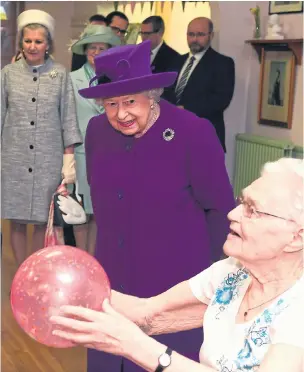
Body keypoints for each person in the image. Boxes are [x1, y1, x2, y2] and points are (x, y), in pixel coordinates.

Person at [55, 40, 235, 372]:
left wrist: (215, 281)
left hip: (173, 284)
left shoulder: (193, 132)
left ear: (152, 95)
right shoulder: (96, 132)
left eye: (130, 101)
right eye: (110, 103)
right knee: (108, 358)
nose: (121, 114)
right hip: (112, 279)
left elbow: (220, 208)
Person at [51, 157, 304, 372]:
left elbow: (140, 335)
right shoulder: (233, 272)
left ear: (297, 237)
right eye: (242, 202)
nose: (233, 214)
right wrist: (77, 287)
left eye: (252, 210)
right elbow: (148, 313)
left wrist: (135, 346)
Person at [1, 9, 82, 265]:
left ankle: (35, 270)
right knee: (15, 219)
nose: (32, 46)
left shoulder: (59, 75)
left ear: (48, 44)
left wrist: (68, 161)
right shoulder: (8, 74)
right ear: (20, 43)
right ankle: (20, 271)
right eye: (27, 41)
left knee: (40, 221)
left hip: (48, 159)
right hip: (13, 158)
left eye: (38, 41)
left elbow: (68, 117)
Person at [69, 24, 121, 254]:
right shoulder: (71, 80)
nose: (96, 52)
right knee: (80, 211)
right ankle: (82, 257)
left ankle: (95, 259)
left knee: (100, 211)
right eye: (92, 47)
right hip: (81, 153)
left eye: (102, 48)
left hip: (108, 153)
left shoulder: (116, 80)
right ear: (85, 50)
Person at [163, 17, 235, 152]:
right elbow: (165, 90)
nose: (195, 39)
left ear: (211, 35)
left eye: (200, 34)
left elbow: (221, 99)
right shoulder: (176, 61)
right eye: (191, 34)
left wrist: (185, 109)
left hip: (204, 137)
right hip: (173, 135)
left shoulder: (222, 63)